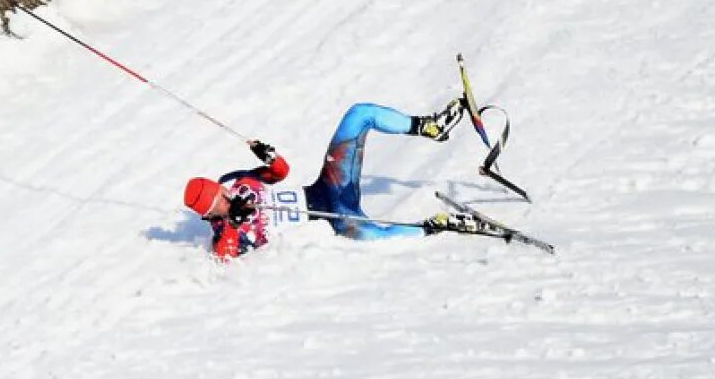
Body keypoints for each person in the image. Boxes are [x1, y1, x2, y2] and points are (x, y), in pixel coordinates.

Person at [182, 99, 487, 259]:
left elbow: (281, 173)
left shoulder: (238, 184)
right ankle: (435, 227)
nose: (225, 197)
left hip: (328, 186)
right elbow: (225, 257)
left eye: (220, 191)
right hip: (334, 219)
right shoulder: (223, 232)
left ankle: (430, 127)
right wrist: (234, 222)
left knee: (359, 114)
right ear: (210, 214)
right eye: (218, 202)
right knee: (372, 238)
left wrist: (269, 157)